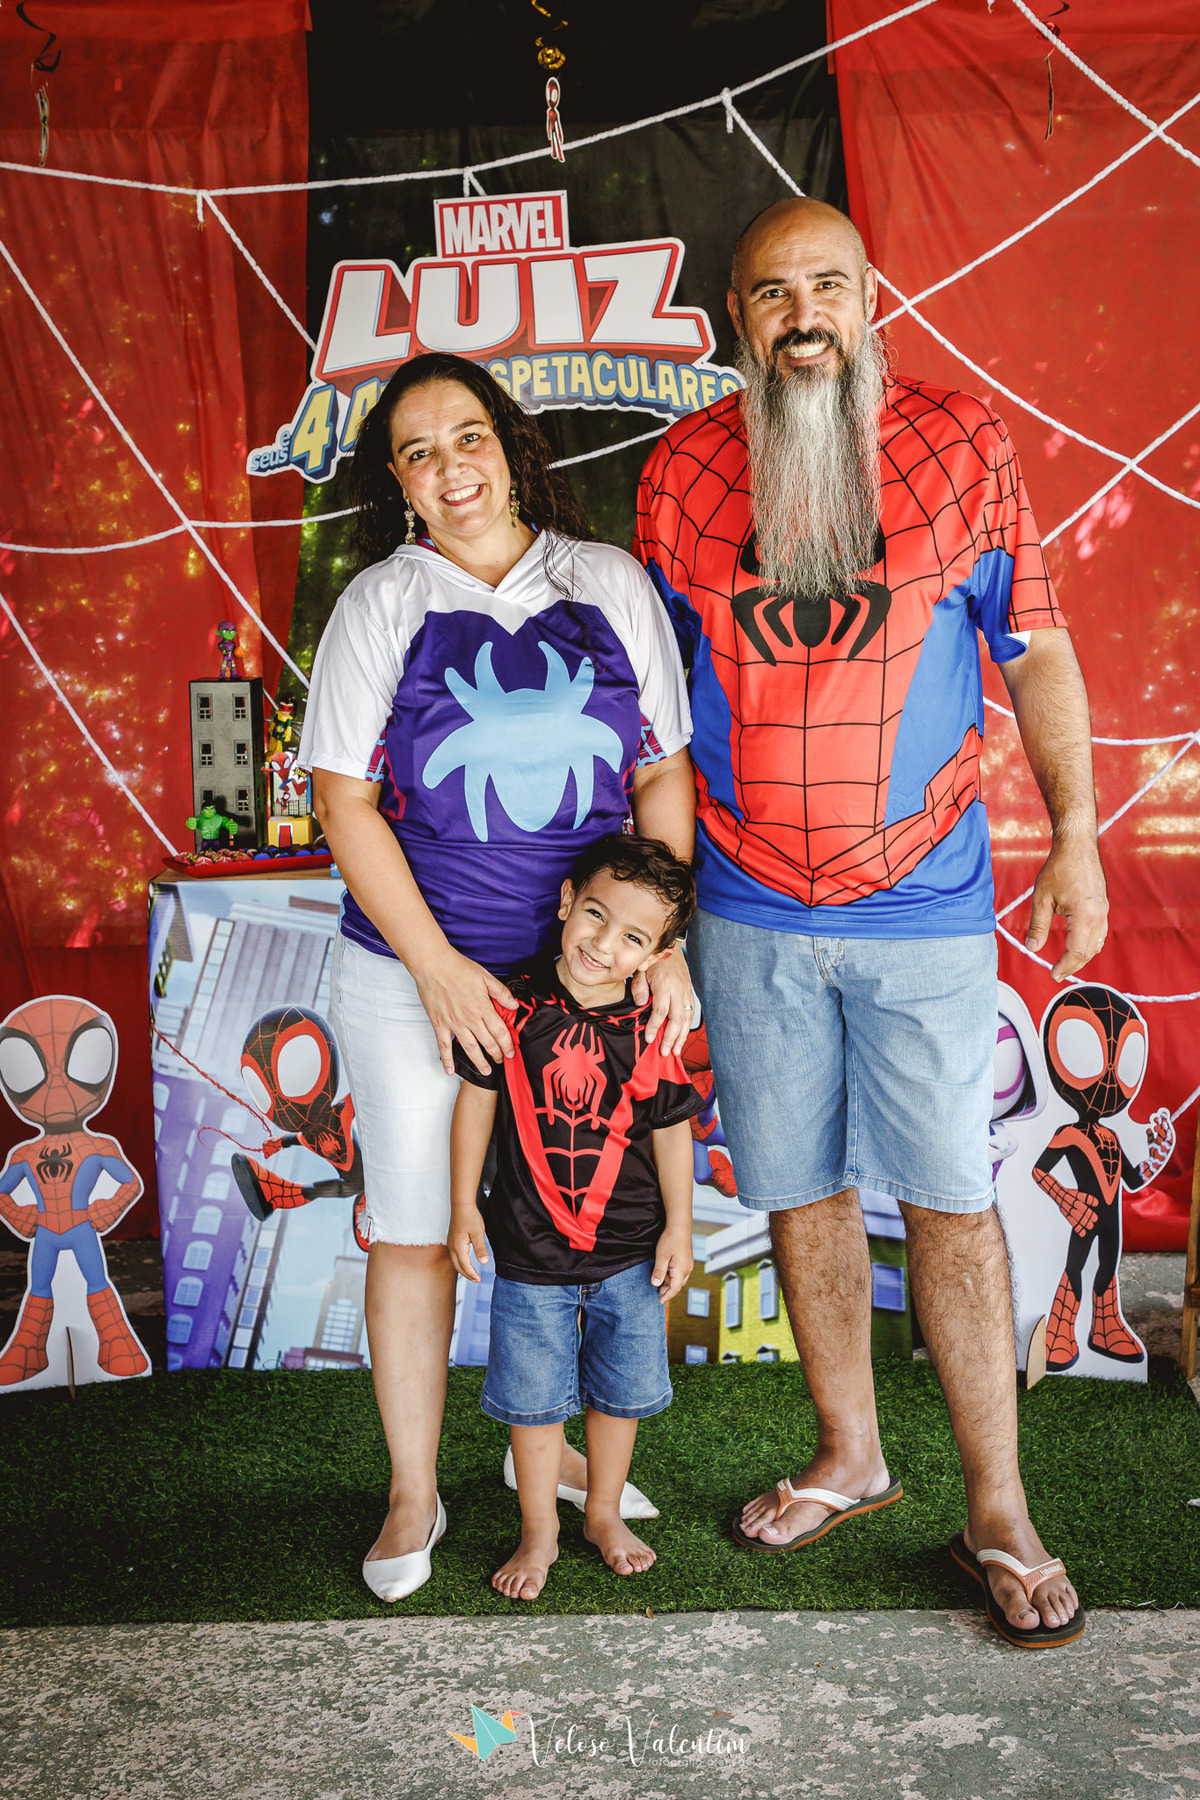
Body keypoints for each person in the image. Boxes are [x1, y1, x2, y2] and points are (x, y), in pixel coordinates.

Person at [634, 197, 1107, 1650]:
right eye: (774, 293)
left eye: (827, 286)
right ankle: (851, 1455)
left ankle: (999, 1510)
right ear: (737, 316)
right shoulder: (679, 473)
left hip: (924, 899)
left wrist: (1078, 833)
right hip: (744, 901)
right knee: (797, 1188)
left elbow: (1037, 651)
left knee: (952, 1201)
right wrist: (662, 915)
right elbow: (659, 721)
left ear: (870, 298)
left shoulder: (962, 444)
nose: (804, 317)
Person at [299, 352, 697, 1602]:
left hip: (586, 992)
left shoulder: (606, 582)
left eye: (466, 436)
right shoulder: (382, 601)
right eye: (417, 452)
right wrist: (437, 969)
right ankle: (413, 1488)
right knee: (420, 1231)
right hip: (418, 977)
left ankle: (563, 1458)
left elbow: (661, 774)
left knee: (578, 1236)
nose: (449, 468)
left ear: (510, 446)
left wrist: (664, 947)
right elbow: (344, 803)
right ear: (398, 482)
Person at [447, 835, 702, 1601]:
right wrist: (462, 1205)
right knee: (533, 1408)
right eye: (595, 914)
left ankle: (600, 1513)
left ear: (658, 955)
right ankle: (539, 1532)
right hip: (529, 1253)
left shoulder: (650, 1023)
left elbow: (673, 1130)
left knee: (619, 1398)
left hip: (629, 1252)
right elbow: (476, 1103)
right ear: (566, 902)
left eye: (633, 938)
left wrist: (680, 1226)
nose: (603, 943)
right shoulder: (511, 1003)